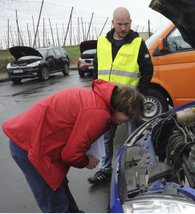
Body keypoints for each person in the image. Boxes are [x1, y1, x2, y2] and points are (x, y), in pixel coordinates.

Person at [2, 79, 144, 212]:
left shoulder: (99, 100)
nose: (127, 122)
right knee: (56, 204)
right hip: (29, 146)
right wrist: (87, 161)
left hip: (37, 141)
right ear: (120, 108)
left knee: (61, 192)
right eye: (129, 117)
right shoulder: (99, 113)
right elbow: (70, 155)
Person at [88, 7, 153, 184]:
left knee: (133, 137)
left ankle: (134, 171)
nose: (123, 28)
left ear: (130, 22)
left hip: (129, 103)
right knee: (106, 137)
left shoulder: (138, 42)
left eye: (126, 24)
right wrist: (96, 90)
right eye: (119, 24)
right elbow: (96, 68)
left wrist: (137, 95)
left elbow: (148, 71)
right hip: (106, 101)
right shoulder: (102, 41)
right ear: (113, 23)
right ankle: (105, 169)